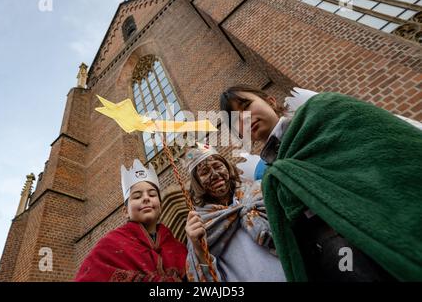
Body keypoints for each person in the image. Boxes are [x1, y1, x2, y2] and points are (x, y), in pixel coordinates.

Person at [220, 85, 422, 281]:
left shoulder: (323, 112)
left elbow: (389, 148)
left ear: (270, 101)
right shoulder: (270, 180)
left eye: (246, 105)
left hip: (394, 220)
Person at [184, 143, 286, 282]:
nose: (214, 174)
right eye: (205, 172)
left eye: (218, 166)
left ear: (227, 167)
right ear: (197, 183)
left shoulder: (258, 191)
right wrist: (198, 248)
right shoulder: (201, 224)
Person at [75, 159, 187, 282]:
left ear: (161, 205)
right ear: (125, 211)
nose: (146, 198)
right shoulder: (111, 243)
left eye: (152, 195)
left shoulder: (177, 246)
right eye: (137, 196)